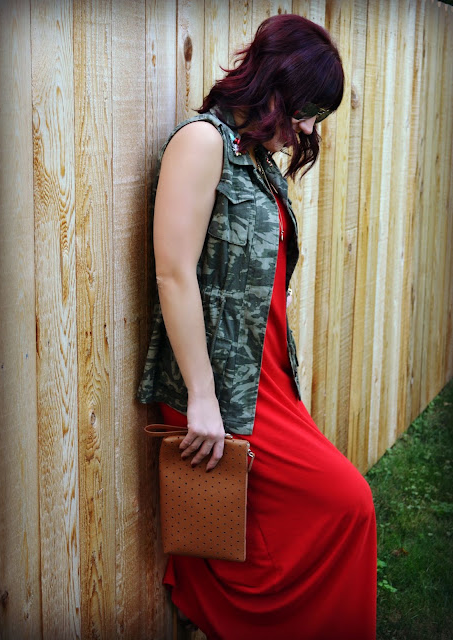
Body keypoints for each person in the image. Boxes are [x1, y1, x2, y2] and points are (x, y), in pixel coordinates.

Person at [137, 13, 376, 640]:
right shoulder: (202, 143)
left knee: (328, 516)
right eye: (309, 112)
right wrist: (202, 398)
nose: (309, 129)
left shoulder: (256, 157)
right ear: (277, 84)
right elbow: (173, 273)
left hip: (268, 379)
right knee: (349, 502)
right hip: (220, 389)